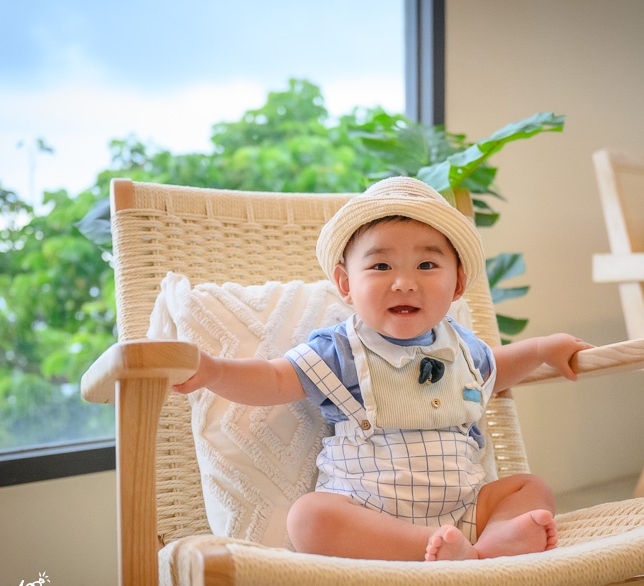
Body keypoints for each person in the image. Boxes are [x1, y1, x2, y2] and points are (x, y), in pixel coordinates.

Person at [173, 177, 593, 562]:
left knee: (530, 488)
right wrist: (213, 371)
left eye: (427, 266)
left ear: (458, 285)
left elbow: (494, 371)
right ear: (345, 285)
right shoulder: (340, 350)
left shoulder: (464, 348)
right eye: (380, 266)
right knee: (309, 517)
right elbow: (274, 378)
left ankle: (485, 547)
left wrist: (540, 349)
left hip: (464, 510)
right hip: (368, 511)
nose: (404, 282)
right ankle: (441, 553)